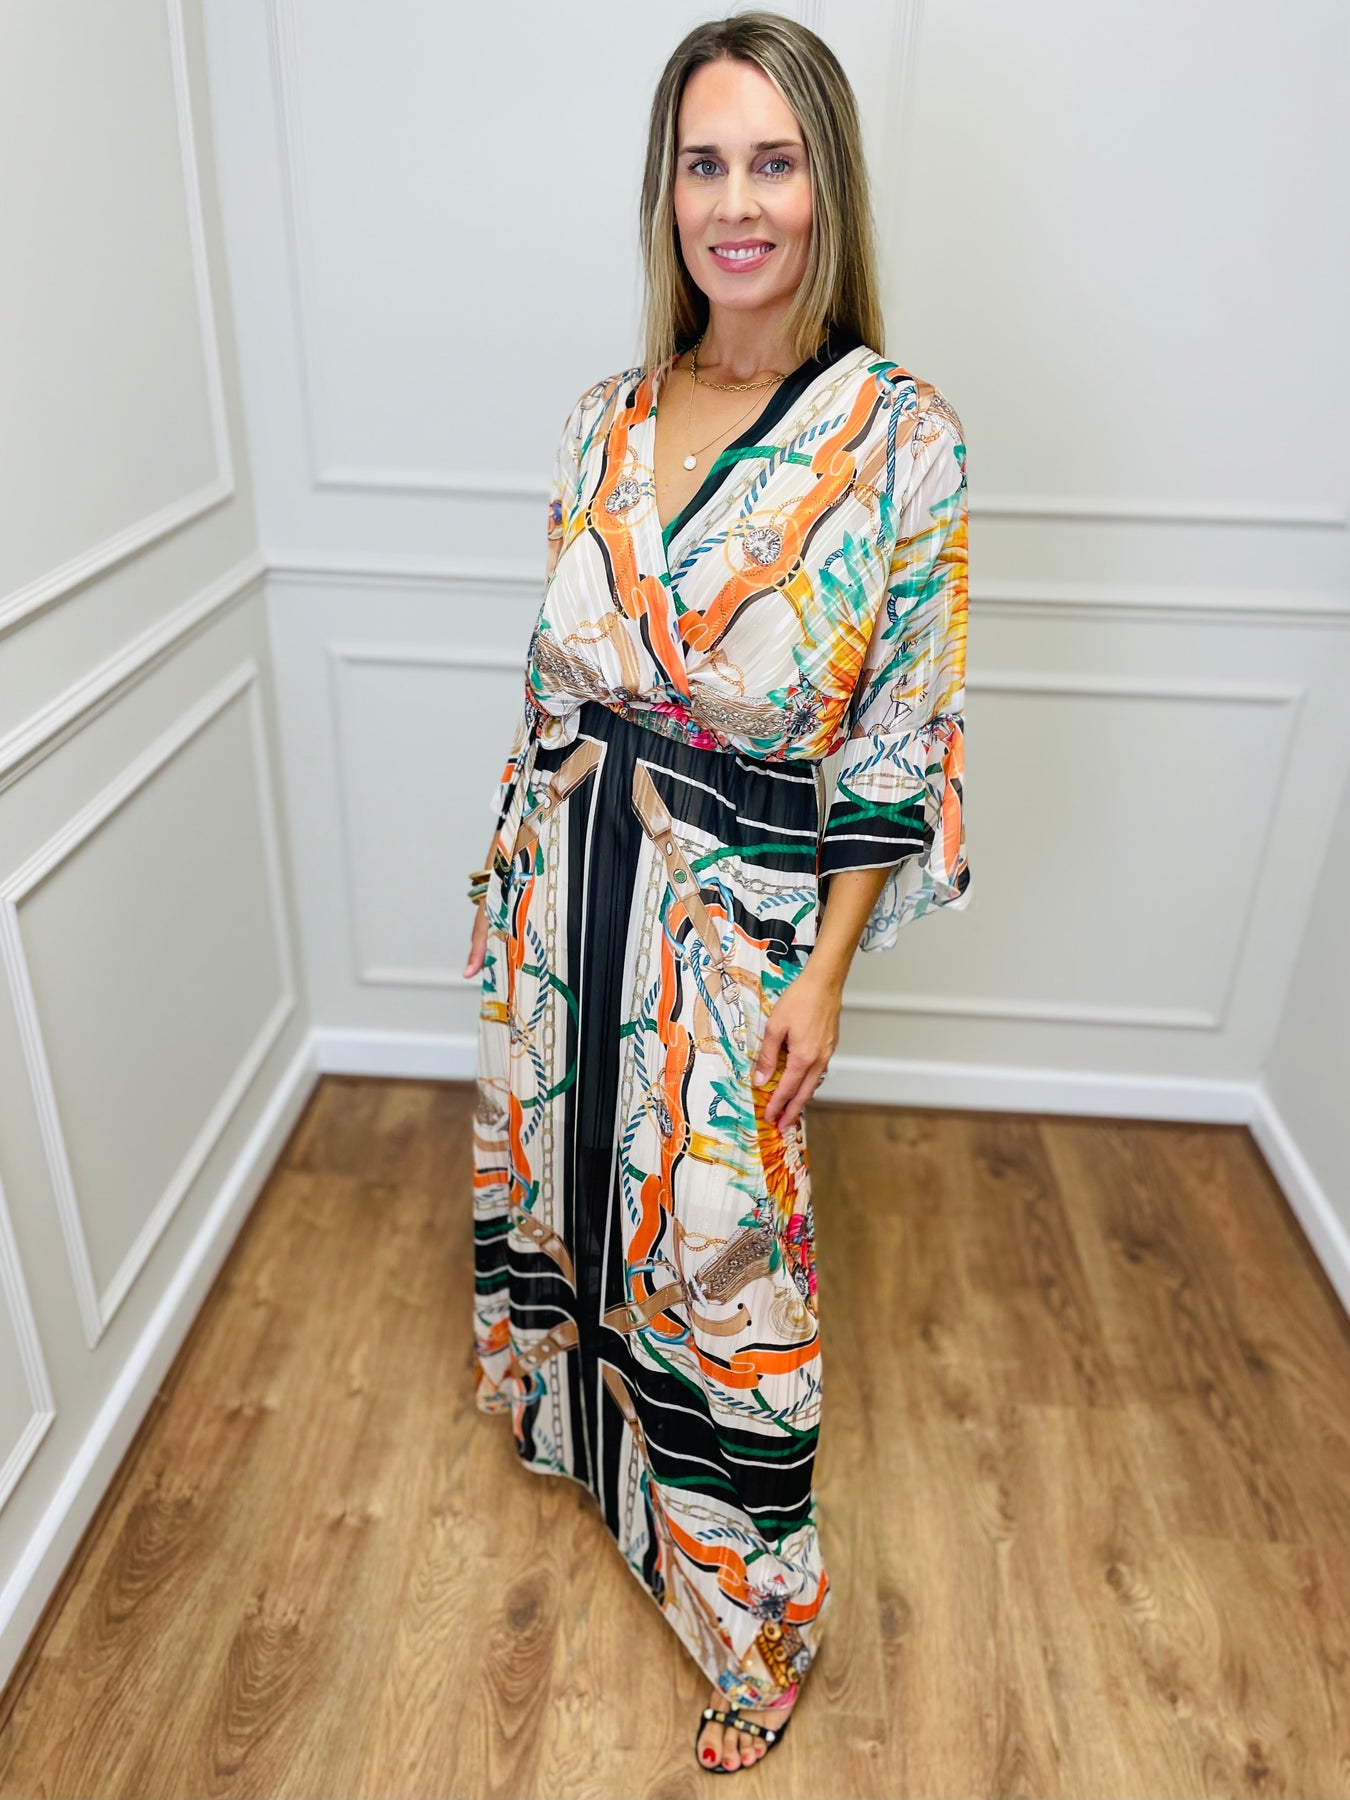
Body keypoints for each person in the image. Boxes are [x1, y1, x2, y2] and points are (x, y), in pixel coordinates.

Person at [463, 10, 970, 1775]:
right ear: (664, 192)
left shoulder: (897, 441)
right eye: (703, 165)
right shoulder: (601, 419)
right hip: (557, 908)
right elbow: (552, 683)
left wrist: (821, 976)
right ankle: (572, 1440)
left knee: (722, 1268)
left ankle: (753, 1623)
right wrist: (506, 897)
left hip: (730, 930)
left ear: (825, 186)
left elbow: (898, 738)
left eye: (772, 162)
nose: (735, 205)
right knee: (565, 1193)